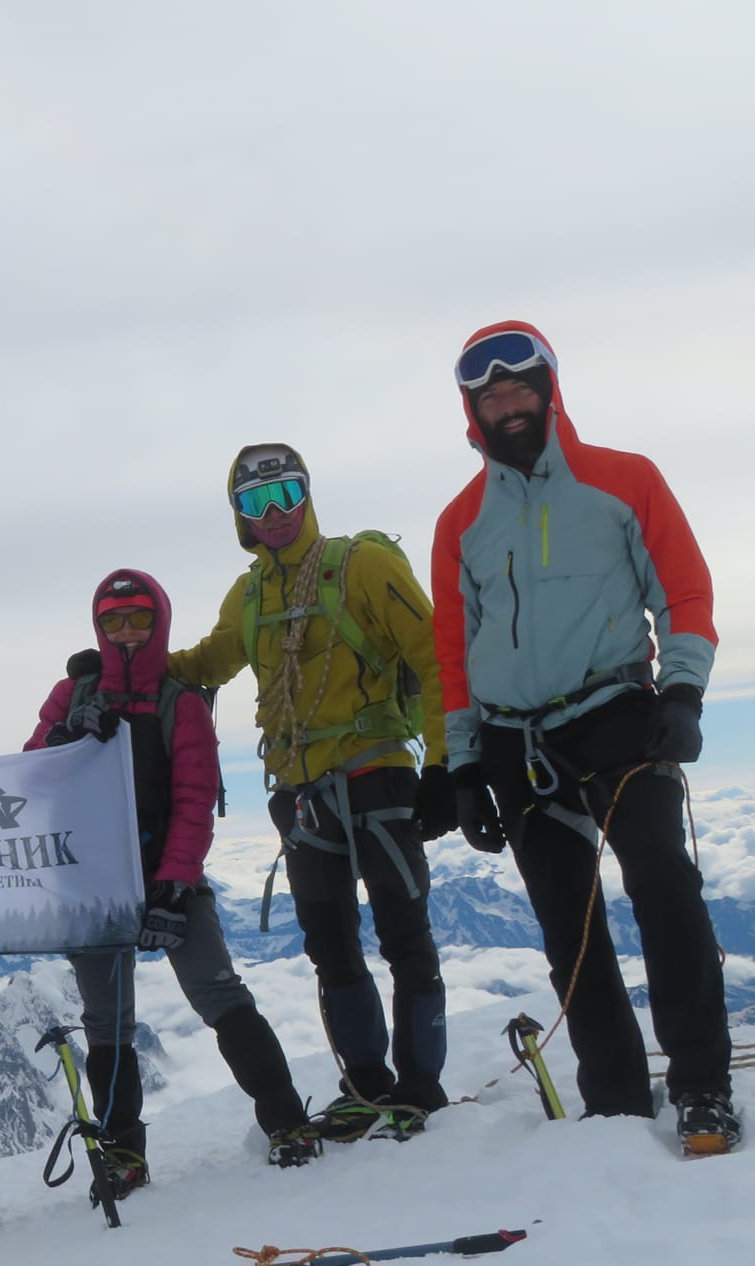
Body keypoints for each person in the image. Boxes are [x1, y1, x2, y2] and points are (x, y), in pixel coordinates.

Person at [432, 322, 736, 1154]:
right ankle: (614, 1103)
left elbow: (685, 591)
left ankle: (702, 1085)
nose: (507, 404)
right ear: (472, 410)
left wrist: (683, 690)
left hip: (618, 714)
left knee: (664, 887)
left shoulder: (623, 480)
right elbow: (453, 655)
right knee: (569, 923)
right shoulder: (461, 521)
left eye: (520, 388)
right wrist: (462, 767)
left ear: (550, 390)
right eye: (489, 395)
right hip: (514, 741)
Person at [169, 447, 456, 1140]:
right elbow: (209, 661)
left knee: (403, 933)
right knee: (330, 946)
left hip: (377, 773)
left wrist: (449, 764)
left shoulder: (365, 565)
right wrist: (128, 668)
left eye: (285, 493)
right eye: (255, 502)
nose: (274, 514)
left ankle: (420, 1089)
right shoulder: (248, 597)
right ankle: (368, 1085)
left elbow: (435, 653)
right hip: (302, 792)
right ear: (238, 516)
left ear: (308, 494)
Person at [25, 569, 321, 1196]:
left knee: (219, 995)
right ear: (99, 628)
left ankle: (285, 1120)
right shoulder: (70, 696)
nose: (127, 632)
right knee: (108, 1025)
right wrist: (67, 736)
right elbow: (30, 770)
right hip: (94, 882)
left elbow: (193, 799)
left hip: (167, 874)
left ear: (159, 623)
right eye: (113, 621)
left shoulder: (180, 702)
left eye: (138, 619)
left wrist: (175, 886)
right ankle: (125, 1154)